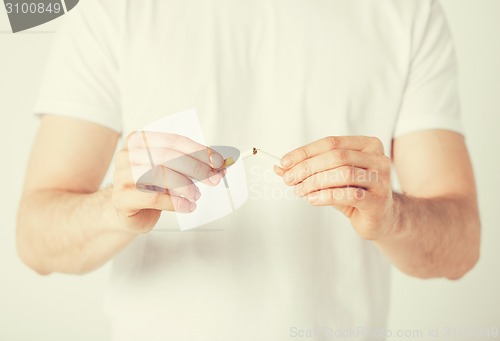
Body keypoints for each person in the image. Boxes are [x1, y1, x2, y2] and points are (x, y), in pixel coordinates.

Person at [16, 0, 480, 340]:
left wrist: (393, 215)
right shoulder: (110, 10)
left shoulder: (408, 13)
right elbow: (35, 240)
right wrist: (113, 210)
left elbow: (461, 247)